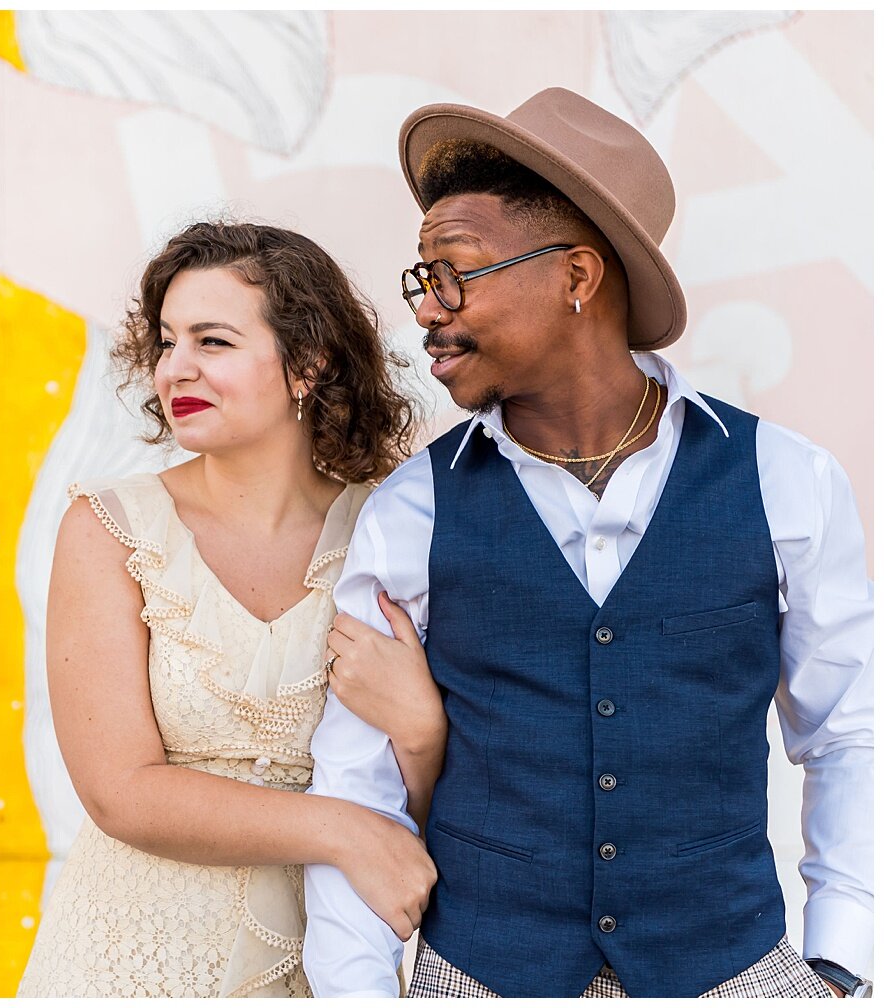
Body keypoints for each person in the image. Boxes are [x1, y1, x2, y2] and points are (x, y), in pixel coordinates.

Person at [304, 88, 873, 998]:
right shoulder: (413, 510)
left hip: (735, 975)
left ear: (576, 278)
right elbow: (355, 789)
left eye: (455, 272)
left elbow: (847, 735)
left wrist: (840, 964)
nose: (428, 311)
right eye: (422, 279)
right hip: (481, 978)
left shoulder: (787, 480)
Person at [17, 222, 440, 997]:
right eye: (167, 341)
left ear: (307, 363)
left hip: (326, 966)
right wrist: (341, 831)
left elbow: (425, 803)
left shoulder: (394, 533)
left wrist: (420, 728)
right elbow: (120, 790)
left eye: (212, 342)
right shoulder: (109, 526)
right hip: (125, 966)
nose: (175, 367)